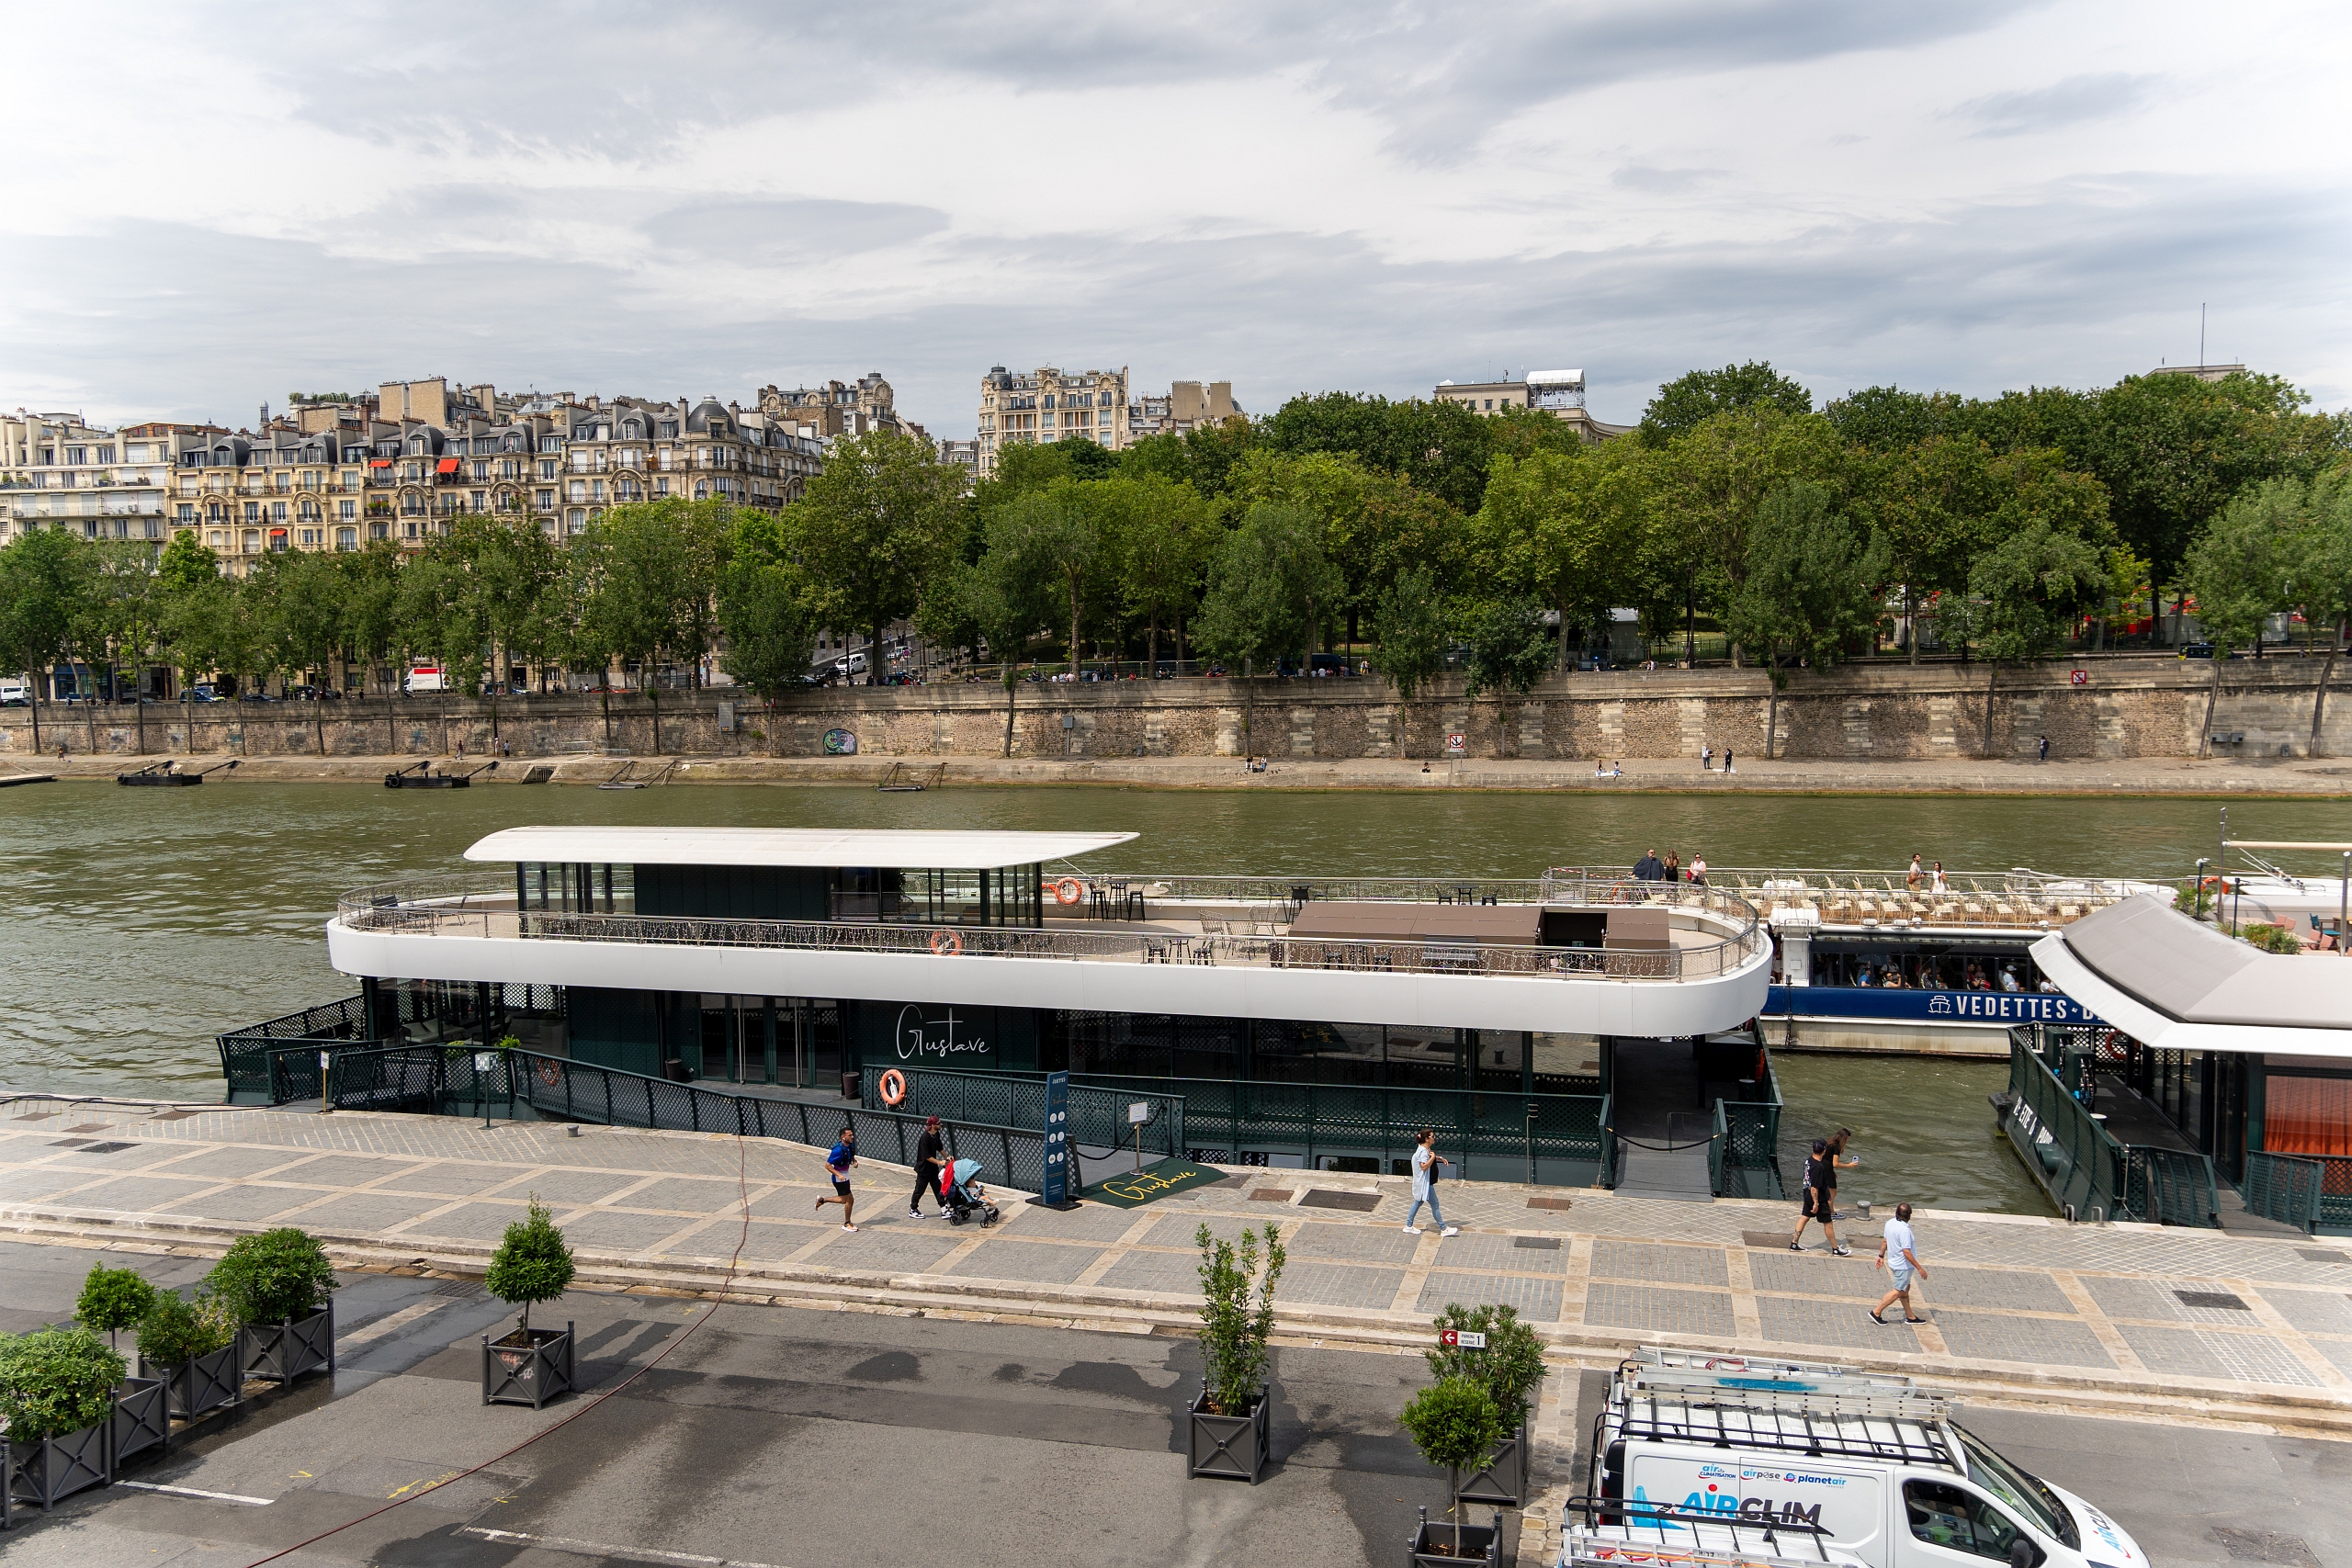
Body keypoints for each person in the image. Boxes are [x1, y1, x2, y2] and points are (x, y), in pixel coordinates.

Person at [1870, 1202, 1928, 1324]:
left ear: (1896, 1213)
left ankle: (1910, 1316)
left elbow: (1885, 1241)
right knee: (1898, 1291)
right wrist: (1919, 1268)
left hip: (1893, 1262)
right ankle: (1876, 1312)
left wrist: (1881, 1256)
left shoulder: (1890, 1223)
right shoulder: (1904, 1230)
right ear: (1909, 1216)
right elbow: (1906, 1252)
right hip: (1903, 1266)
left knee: (1905, 1289)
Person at [1404, 1128, 1458, 1236]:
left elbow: (1426, 1157)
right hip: (1425, 1184)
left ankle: (1408, 1226)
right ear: (1427, 1139)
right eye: (1432, 1137)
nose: (1434, 1139)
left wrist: (1438, 1158)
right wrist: (1433, 1157)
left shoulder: (1423, 1149)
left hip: (1424, 1183)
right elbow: (1423, 1166)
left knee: (1418, 1202)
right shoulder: (1424, 1151)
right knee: (1435, 1205)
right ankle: (1444, 1228)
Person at [816, 1125, 859, 1231]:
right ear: (843, 1137)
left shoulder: (850, 1146)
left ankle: (822, 1200)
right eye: (850, 1135)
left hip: (845, 1175)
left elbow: (851, 1155)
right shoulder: (837, 1150)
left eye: (852, 1135)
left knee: (844, 1200)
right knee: (850, 1200)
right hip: (839, 1178)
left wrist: (854, 1161)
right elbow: (827, 1165)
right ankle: (847, 1223)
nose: (852, 1137)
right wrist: (838, 1175)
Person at [909, 1116, 948, 1218]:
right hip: (924, 1169)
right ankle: (913, 1209)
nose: (940, 1125)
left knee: (938, 1188)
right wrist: (939, 1162)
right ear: (932, 1126)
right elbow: (926, 1156)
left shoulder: (936, 1134)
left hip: (933, 1169)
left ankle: (943, 1209)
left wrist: (947, 1158)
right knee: (919, 1190)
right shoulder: (925, 1138)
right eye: (938, 1124)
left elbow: (940, 1148)